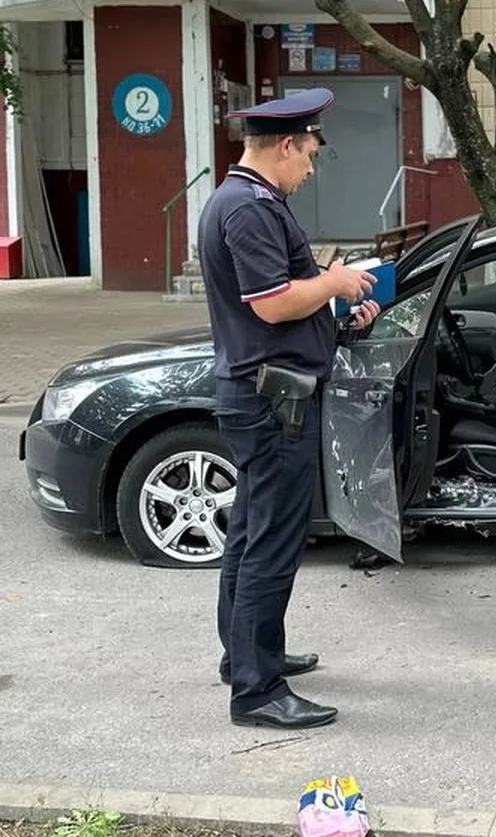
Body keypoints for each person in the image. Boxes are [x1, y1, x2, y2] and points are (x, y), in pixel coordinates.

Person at [198, 87, 380, 731]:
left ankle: (249, 655)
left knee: (251, 533)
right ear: (285, 146)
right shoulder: (248, 208)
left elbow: (287, 302)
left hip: (266, 393)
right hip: (271, 401)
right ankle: (255, 690)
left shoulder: (252, 201)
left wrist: (336, 306)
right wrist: (332, 281)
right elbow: (271, 304)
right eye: (309, 155)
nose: (311, 168)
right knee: (270, 542)